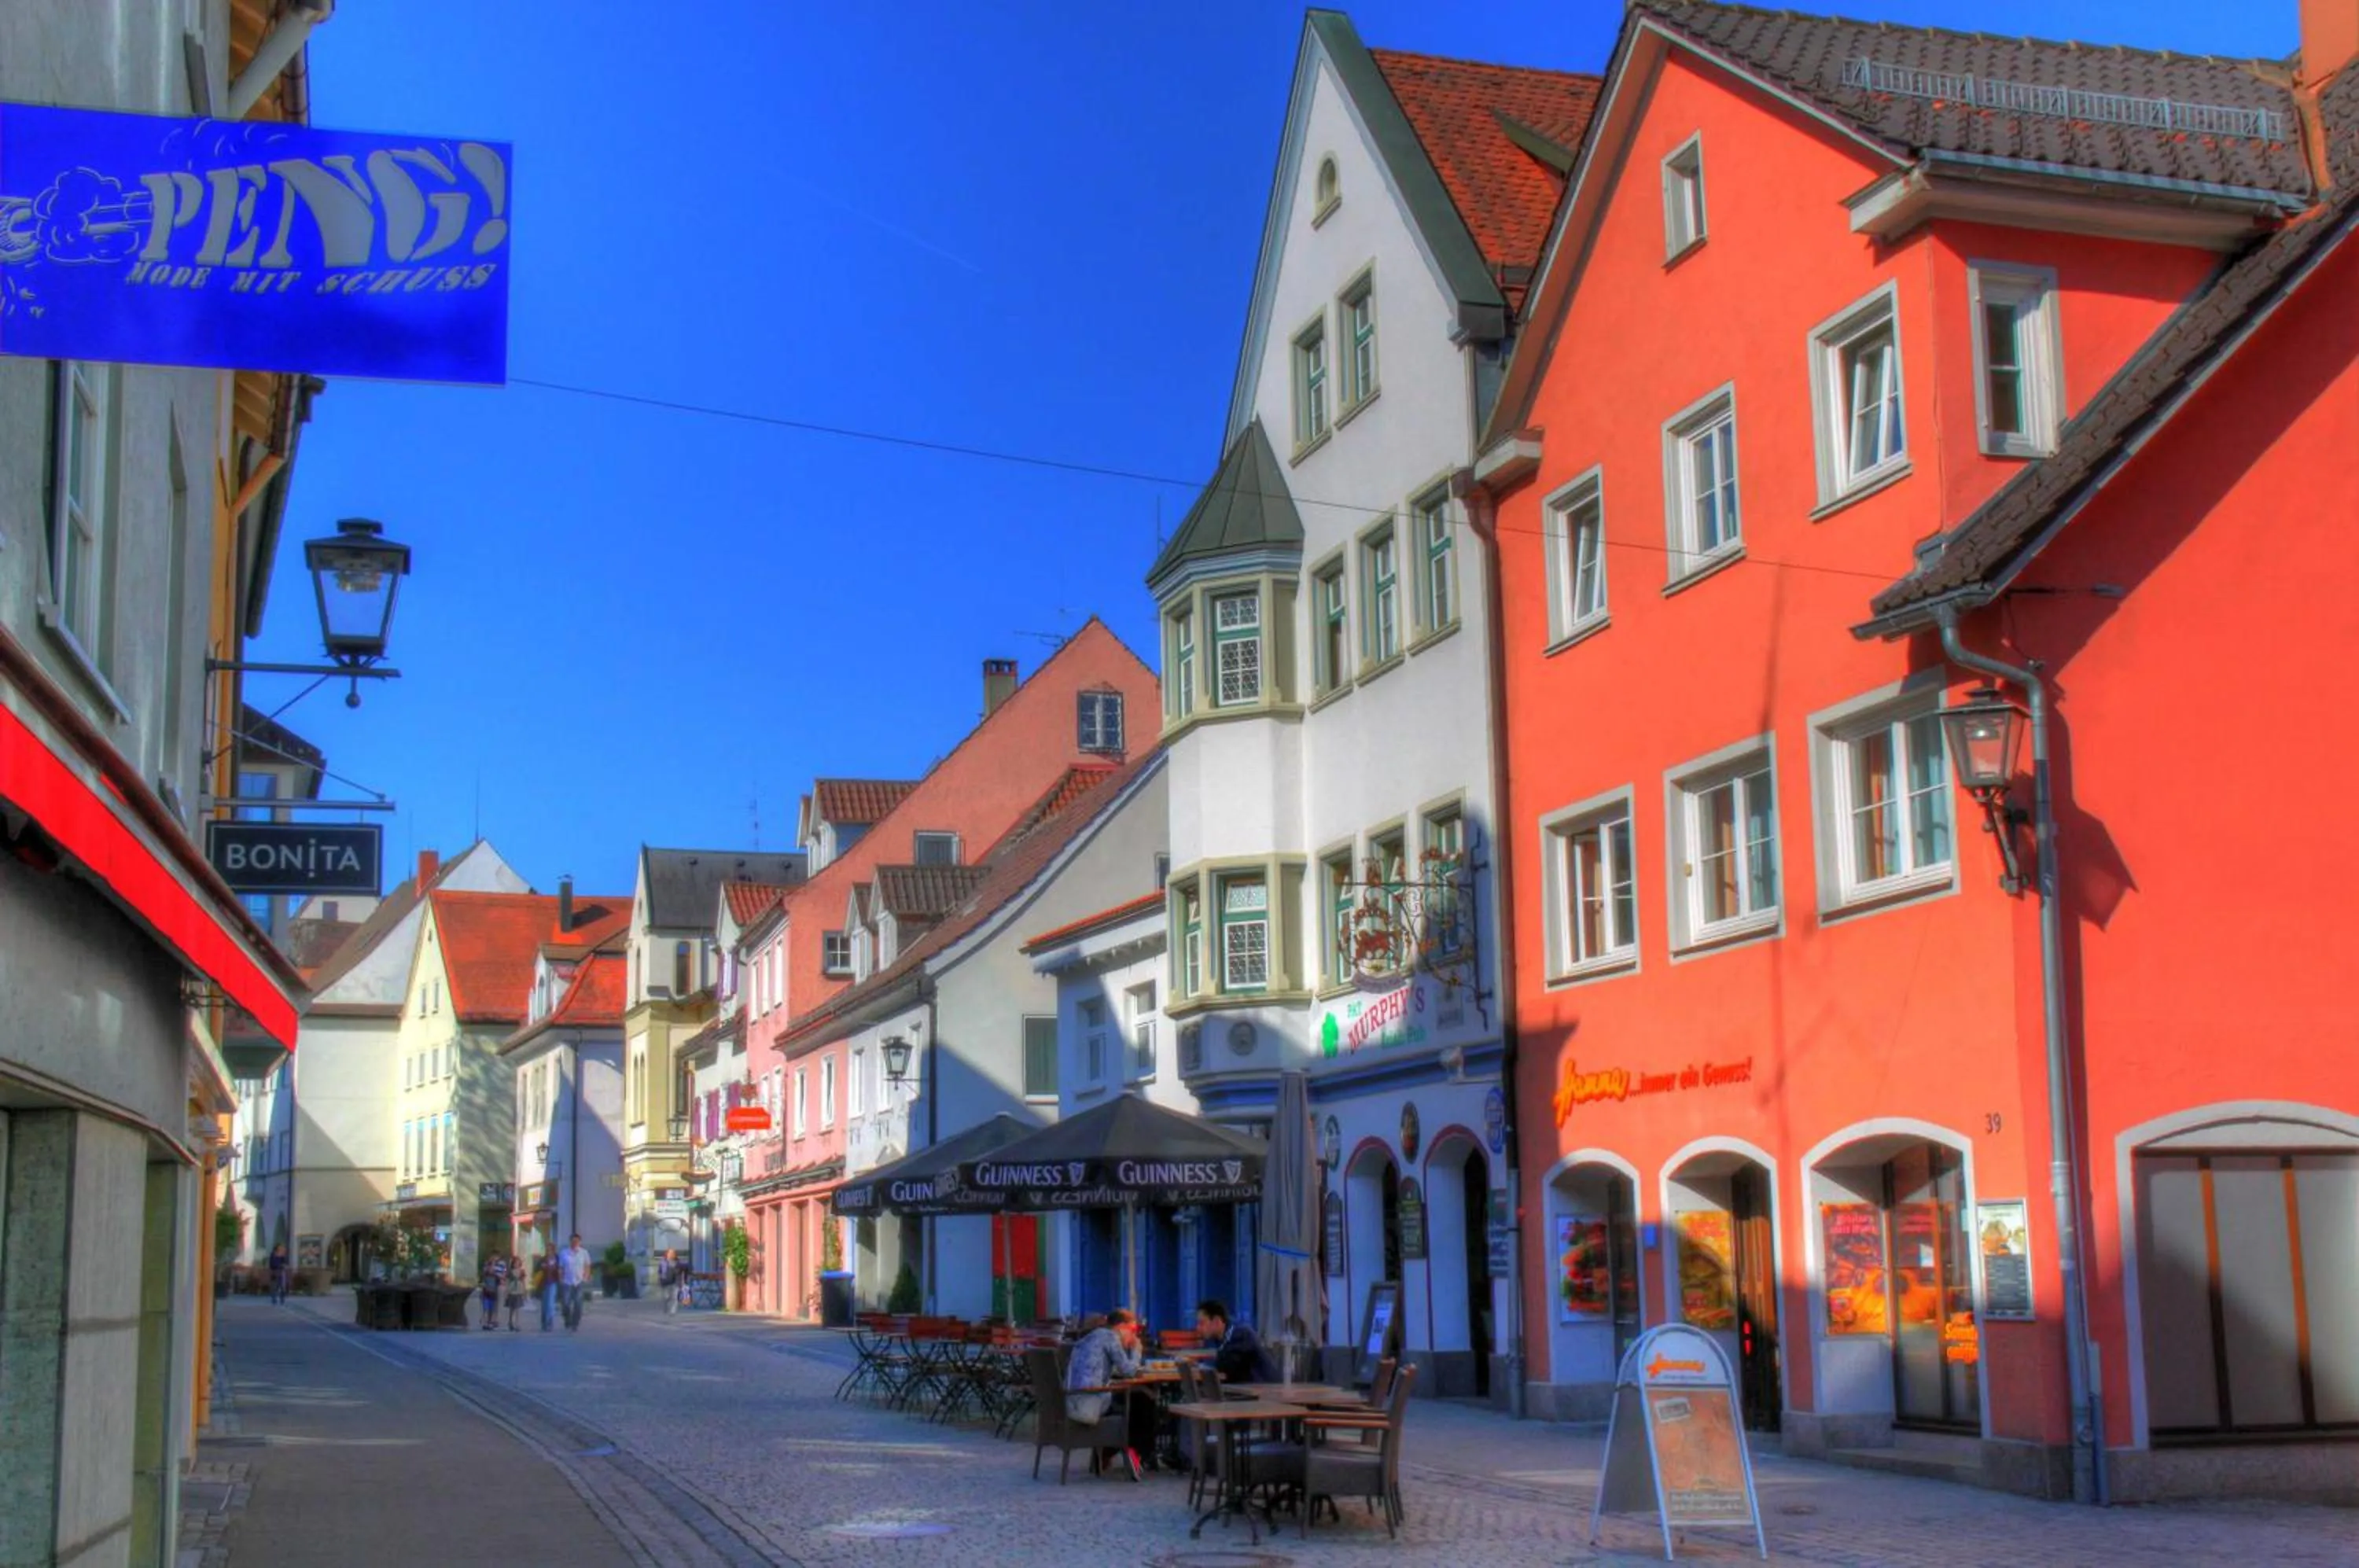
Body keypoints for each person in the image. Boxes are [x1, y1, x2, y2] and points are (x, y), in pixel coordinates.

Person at [1065, 1308, 1157, 1475]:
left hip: (1074, 1400)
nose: (1134, 1336)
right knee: (1141, 1400)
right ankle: (1140, 1453)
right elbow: (1128, 1371)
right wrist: (1137, 1350)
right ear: (1121, 1326)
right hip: (1090, 1404)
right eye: (1133, 1330)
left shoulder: (1092, 1337)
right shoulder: (1110, 1337)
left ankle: (1112, 1453)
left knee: (1136, 1397)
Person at [1197, 1299, 1278, 1384]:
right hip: (1242, 1390)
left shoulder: (1242, 1336)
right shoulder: (1219, 1340)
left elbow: (1225, 1369)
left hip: (1263, 1392)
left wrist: (1202, 1368)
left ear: (1217, 1322)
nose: (1198, 1328)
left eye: (1202, 1323)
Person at [556, 1233, 593, 1332]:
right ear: (570, 1242)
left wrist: (586, 1276)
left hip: (579, 1281)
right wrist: (561, 1279)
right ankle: (567, 1320)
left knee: (578, 1304)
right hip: (567, 1281)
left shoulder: (584, 1253)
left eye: (576, 1241)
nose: (575, 1243)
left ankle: (575, 1323)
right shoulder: (564, 1253)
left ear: (579, 1242)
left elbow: (587, 1266)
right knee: (566, 1304)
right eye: (573, 1241)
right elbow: (561, 1268)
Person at [478, 1253, 507, 1331]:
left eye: (496, 1256)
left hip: (496, 1287)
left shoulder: (502, 1264)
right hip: (487, 1289)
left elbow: (504, 1274)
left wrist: (499, 1276)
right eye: (493, 1256)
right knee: (486, 1307)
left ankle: (493, 1321)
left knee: (495, 1305)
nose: (494, 1258)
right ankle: (486, 1321)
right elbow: (485, 1273)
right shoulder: (487, 1264)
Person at [537, 1250, 561, 1332]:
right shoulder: (543, 1260)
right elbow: (537, 1270)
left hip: (553, 1284)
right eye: (548, 1250)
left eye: (551, 1250)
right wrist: (543, 1267)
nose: (549, 1252)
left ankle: (549, 1323)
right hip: (544, 1284)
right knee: (544, 1305)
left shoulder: (557, 1260)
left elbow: (560, 1270)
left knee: (550, 1304)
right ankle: (544, 1323)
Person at [502, 1253, 527, 1330]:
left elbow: (523, 1282)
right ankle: (510, 1322)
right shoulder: (510, 1272)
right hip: (512, 1292)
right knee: (512, 1309)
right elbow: (507, 1282)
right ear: (513, 1264)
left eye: (518, 1263)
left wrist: (524, 1291)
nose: (516, 1264)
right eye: (515, 1263)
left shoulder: (522, 1272)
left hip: (519, 1292)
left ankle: (517, 1323)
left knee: (517, 1309)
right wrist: (506, 1292)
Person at [660, 1248, 683, 1316]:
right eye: (670, 1253)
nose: (671, 1255)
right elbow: (660, 1272)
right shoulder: (663, 1262)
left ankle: (673, 1311)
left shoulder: (678, 1262)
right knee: (667, 1297)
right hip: (666, 1281)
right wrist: (661, 1279)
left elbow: (680, 1272)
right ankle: (665, 1307)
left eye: (673, 1253)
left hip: (675, 1282)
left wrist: (681, 1281)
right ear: (667, 1254)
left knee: (675, 1297)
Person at [267, 1242, 291, 1306]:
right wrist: (280, 1265)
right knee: (275, 1286)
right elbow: (272, 1264)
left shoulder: (283, 1255)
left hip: (281, 1272)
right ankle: (274, 1299)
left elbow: (285, 1263)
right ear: (277, 1248)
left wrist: (284, 1266)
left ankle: (282, 1299)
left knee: (282, 1286)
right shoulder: (273, 1254)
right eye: (280, 1248)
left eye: (282, 1248)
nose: (281, 1249)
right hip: (275, 1272)